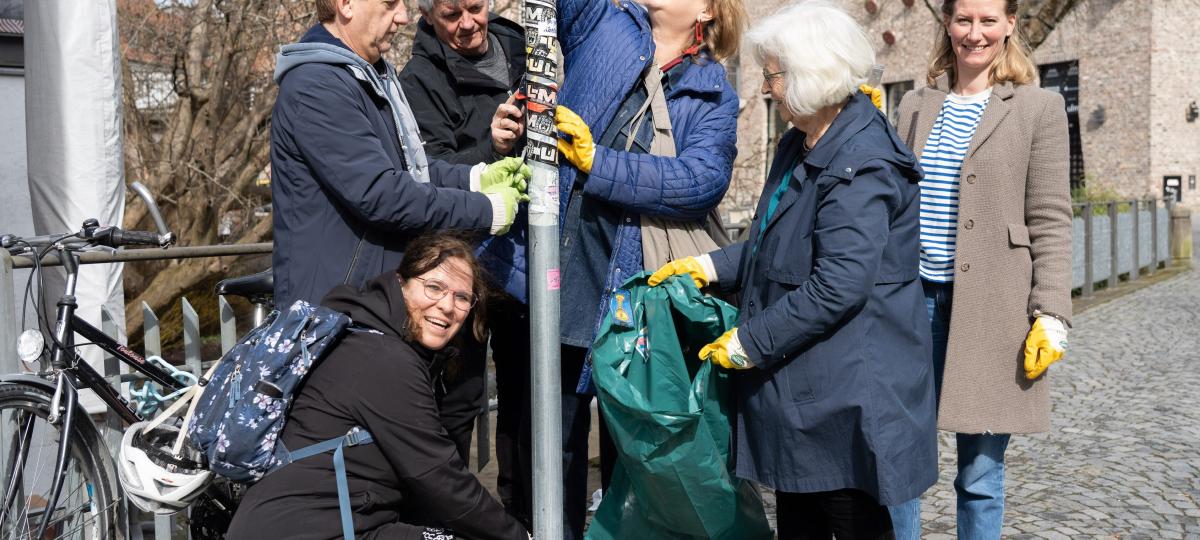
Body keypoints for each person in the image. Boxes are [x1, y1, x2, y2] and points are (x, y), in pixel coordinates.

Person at [650, 2, 937, 537]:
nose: (764, 88)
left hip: (848, 395)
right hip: (808, 390)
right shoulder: (801, 143)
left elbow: (839, 283)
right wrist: (707, 267)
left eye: (773, 75)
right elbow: (772, 244)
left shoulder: (862, 161)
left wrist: (750, 342)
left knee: (849, 521)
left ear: (810, 76)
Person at [549, 0, 745, 536]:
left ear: (707, 8)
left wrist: (599, 163)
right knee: (550, 447)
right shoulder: (605, 22)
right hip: (559, 272)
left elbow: (699, 180)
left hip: (632, 290)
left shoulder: (713, 90)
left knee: (630, 458)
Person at [886, 0, 1073, 538]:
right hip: (910, 303)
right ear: (947, 22)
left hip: (994, 307)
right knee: (897, 462)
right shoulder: (915, 106)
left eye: (988, 20)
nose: (975, 33)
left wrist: (1052, 312)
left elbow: (1050, 218)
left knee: (981, 475)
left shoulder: (1038, 108)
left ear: (1011, 24)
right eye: (964, 20)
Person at [226, 233, 528, 540]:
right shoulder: (384, 359)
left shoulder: (367, 333)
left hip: (328, 520)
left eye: (462, 297)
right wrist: (520, 537)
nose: (448, 306)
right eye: (434, 287)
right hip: (311, 527)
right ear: (401, 283)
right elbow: (440, 477)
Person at [270, 0, 530, 308]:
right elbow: (383, 194)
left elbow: (411, 166)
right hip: (336, 312)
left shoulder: (366, 76)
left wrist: (477, 177)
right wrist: (487, 209)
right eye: (390, 4)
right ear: (346, 4)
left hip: (368, 301)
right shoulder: (317, 86)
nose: (403, 17)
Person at [398, 0, 531, 525]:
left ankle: (522, 519)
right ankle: (440, 524)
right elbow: (430, 173)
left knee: (526, 399)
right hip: (464, 263)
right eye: (450, 16)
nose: (467, 25)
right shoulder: (419, 78)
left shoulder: (519, 44)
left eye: (474, 8)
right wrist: (491, 147)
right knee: (457, 401)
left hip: (526, 254)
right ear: (429, 17)